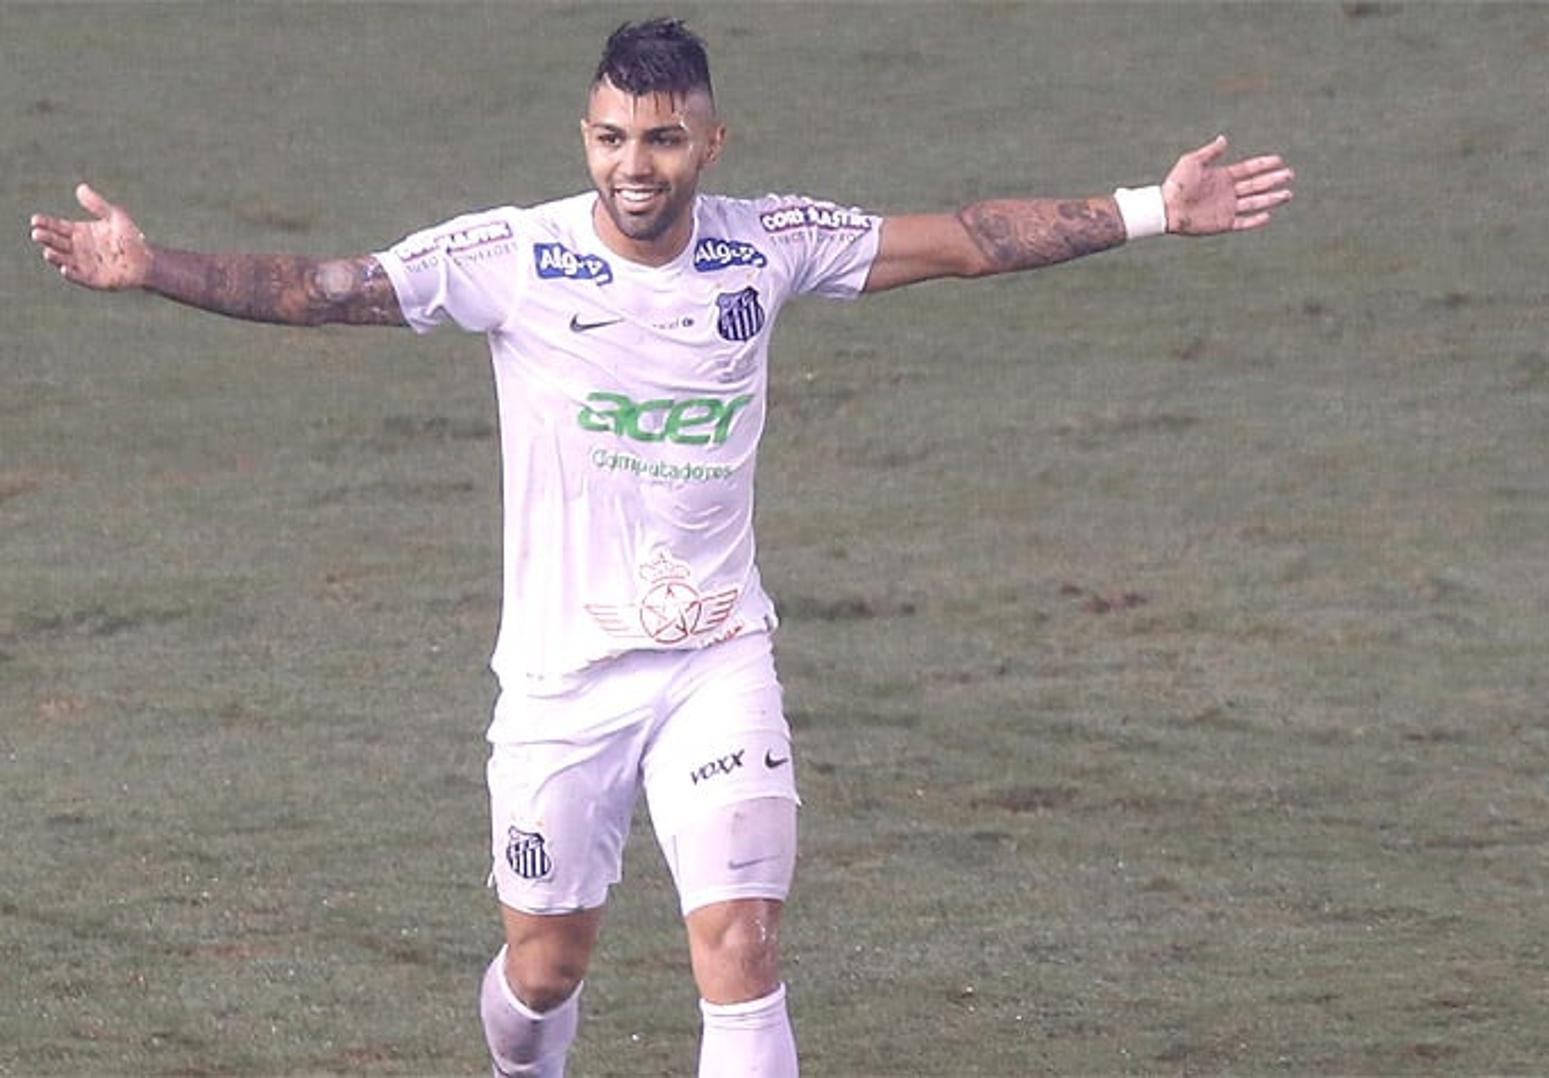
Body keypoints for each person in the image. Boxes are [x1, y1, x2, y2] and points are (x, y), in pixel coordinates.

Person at [28, 17, 1292, 1077]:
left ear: (710, 141)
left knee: (739, 944)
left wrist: (1149, 211)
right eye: (615, 136)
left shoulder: (768, 242)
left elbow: (961, 240)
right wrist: (153, 268)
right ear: (588, 137)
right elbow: (330, 287)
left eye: (665, 137)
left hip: (713, 659)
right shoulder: (511, 257)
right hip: (561, 686)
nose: (637, 164)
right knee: (545, 968)